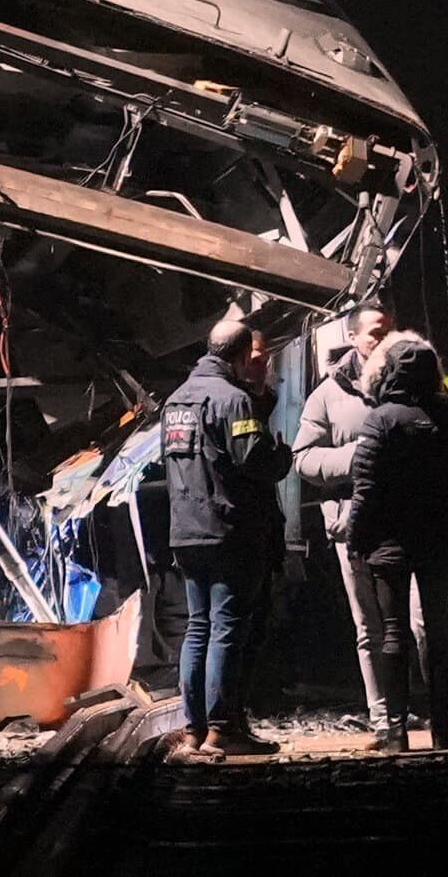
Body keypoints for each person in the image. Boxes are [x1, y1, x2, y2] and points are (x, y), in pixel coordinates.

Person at [163, 317, 292, 760]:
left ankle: (194, 730)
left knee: (197, 628)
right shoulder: (232, 400)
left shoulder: (176, 401)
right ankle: (223, 730)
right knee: (226, 629)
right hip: (228, 531)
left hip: (185, 531)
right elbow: (254, 460)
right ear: (239, 356)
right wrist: (281, 455)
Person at [347, 332, 448, 752]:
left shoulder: (381, 419)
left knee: (393, 633)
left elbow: (365, 487)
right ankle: (443, 727)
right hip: (439, 540)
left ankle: (395, 732)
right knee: (438, 631)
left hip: (390, 542)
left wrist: (356, 537)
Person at [292, 302, 411, 733]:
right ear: (354, 336)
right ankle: (383, 715)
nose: (383, 339)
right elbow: (303, 458)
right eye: (376, 331)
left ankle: (416, 707)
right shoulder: (328, 394)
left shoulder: (409, 383)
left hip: (407, 520)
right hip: (353, 526)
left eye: (390, 330)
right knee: (370, 626)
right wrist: (357, 456)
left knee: (415, 621)